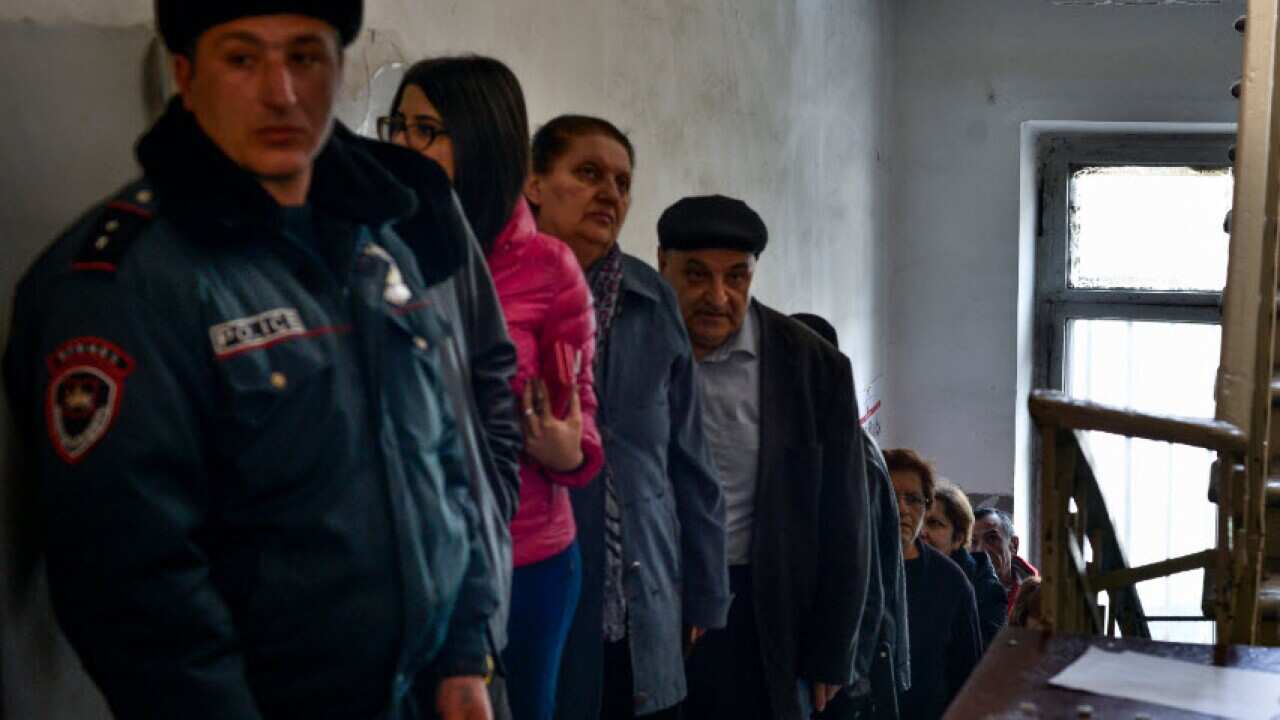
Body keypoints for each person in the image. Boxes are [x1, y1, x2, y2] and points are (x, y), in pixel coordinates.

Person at [1, 4, 499, 718]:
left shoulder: (377, 241)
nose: (282, 92)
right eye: (242, 59)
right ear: (184, 75)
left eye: (305, 57)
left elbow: (443, 454)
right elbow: (132, 581)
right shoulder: (125, 283)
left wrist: (460, 658)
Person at [383, 56, 605, 720]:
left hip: (527, 555)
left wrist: (563, 446)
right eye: (398, 125)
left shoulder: (547, 264)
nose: (404, 145)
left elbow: (583, 424)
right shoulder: (376, 243)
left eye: (428, 129)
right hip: (409, 548)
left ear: (482, 139)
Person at [526, 117, 731, 720]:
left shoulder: (652, 297)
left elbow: (690, 460)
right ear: (535, 183)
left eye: (622, 182)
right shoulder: (499, 289)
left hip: (645, 596)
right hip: (539, 589)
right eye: (588, 174)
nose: (609, 195)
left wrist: (704, 594)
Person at [657, 195, 873, 720]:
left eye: (736, 277)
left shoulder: (812, 367)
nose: (718, 296)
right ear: (663, 266)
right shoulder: (633, 342)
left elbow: (847, 519)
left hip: (762, 605)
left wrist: (831, 650)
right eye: (696, 276)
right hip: (656, 596)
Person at [789, 312, 909, 720]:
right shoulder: (810, 442)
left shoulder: (853, 455)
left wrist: (843, 666)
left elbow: (867, 577)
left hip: (842, 677)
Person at [886, 449, 982, 720]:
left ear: (926, 506)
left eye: (914, 499)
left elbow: (966, 677)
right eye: (891, 496)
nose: (902, 508)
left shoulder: (951, 583)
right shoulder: (848, 571)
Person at [922, 481, 1007, 650]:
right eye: (920, 522)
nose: (922, 532)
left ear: (959, 537)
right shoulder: (902, 574)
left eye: (934, 523)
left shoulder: (985, 589)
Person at [972, 507, 1039, 616]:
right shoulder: (956, 591)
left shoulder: (1038, 596)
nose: (981, 550)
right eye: (973, 541)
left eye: (992, 538)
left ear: (1013, 545)